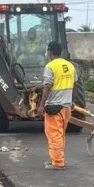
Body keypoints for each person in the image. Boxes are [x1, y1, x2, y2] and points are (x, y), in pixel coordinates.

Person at [37, 41, 75, 170]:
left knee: (54, 135)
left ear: (50, 52)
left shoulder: (50, 66)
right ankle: (56, 159)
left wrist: (41, 105)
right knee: (60, 134)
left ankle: (58, 162)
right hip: (66, 107)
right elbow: (74, 85)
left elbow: (47, 86)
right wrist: (72, 101)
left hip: (54, 106)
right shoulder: (70, 66)